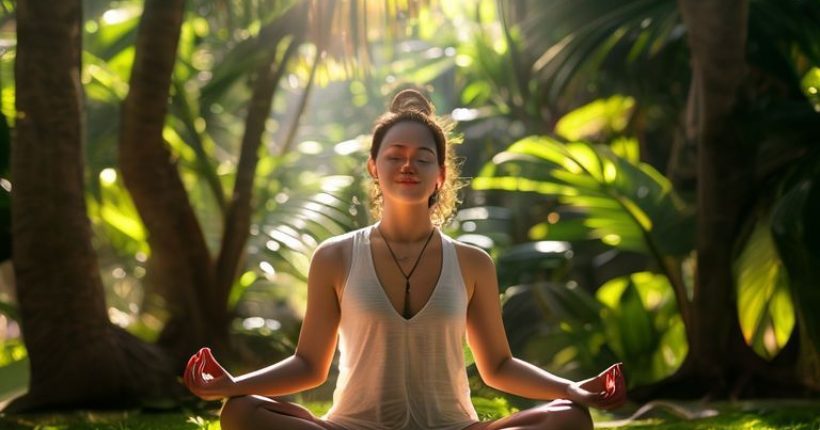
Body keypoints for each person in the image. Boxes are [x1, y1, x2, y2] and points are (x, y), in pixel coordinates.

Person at [184, 89, 626, 430]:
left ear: (441, 174)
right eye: (394, 156)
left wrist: (570, 388)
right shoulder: (335, 257)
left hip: (454, 426)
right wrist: (234, 385)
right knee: (240, 412)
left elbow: (499, 367)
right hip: (353, 426)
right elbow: (309, 365)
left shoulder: (472, 263)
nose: (407, 165)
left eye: (422, 158)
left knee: (570, 418)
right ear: (374, 167)